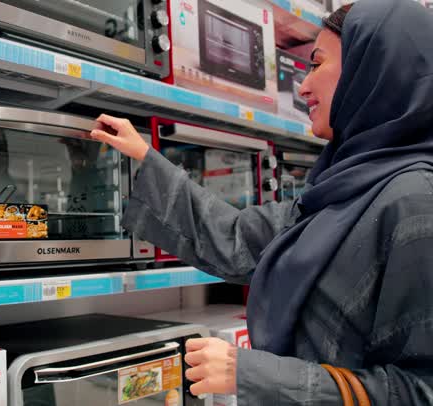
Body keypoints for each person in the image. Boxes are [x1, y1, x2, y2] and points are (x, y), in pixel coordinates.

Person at [90, 0, 433, 403]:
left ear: (374, 70)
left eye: (317, 64)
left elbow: (420, 392)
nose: (302, 86)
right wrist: (145, 158)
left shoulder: (416, 205)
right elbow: (237, 238)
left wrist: (253, 374)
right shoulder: (344, 188)